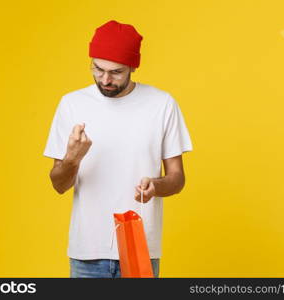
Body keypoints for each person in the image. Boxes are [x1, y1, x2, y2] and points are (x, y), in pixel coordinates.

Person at [43, 20, 193, 278]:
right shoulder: (72, 104)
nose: (106, 79)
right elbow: (58, 184)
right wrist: (72, 159)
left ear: (133, 67)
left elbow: (177, 179)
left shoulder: (162, 104)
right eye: (98, 69)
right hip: (87, 252)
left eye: (116, 72)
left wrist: (156, 186)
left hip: (140, 248)